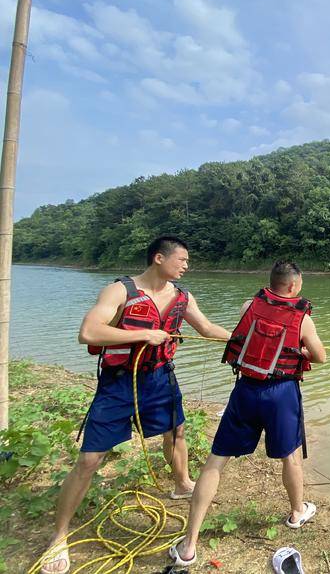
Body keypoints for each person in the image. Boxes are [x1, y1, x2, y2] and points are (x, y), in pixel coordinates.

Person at [39, 236, 232, 574]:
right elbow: (88, 332)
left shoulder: (182, 297)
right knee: (89, 459)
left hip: (160, 378)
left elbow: (205, 327)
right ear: (159, 258)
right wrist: (142, 335)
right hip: (117, 384)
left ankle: (182, 484)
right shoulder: (120, 291)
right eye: (182, 259)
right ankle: (59, 536)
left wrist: (243, 338)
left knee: (177, 432)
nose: (187, 265)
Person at [169, 261, 326, 568]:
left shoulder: (248, 306)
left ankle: (189, 545)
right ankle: (297, 512)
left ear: (272, 283)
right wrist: (302, 351)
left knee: (216, 460)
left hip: (246, 390)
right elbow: (320, 357)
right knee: (290, 456)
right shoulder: (302, 319)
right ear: (294, 286)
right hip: (281, 394)